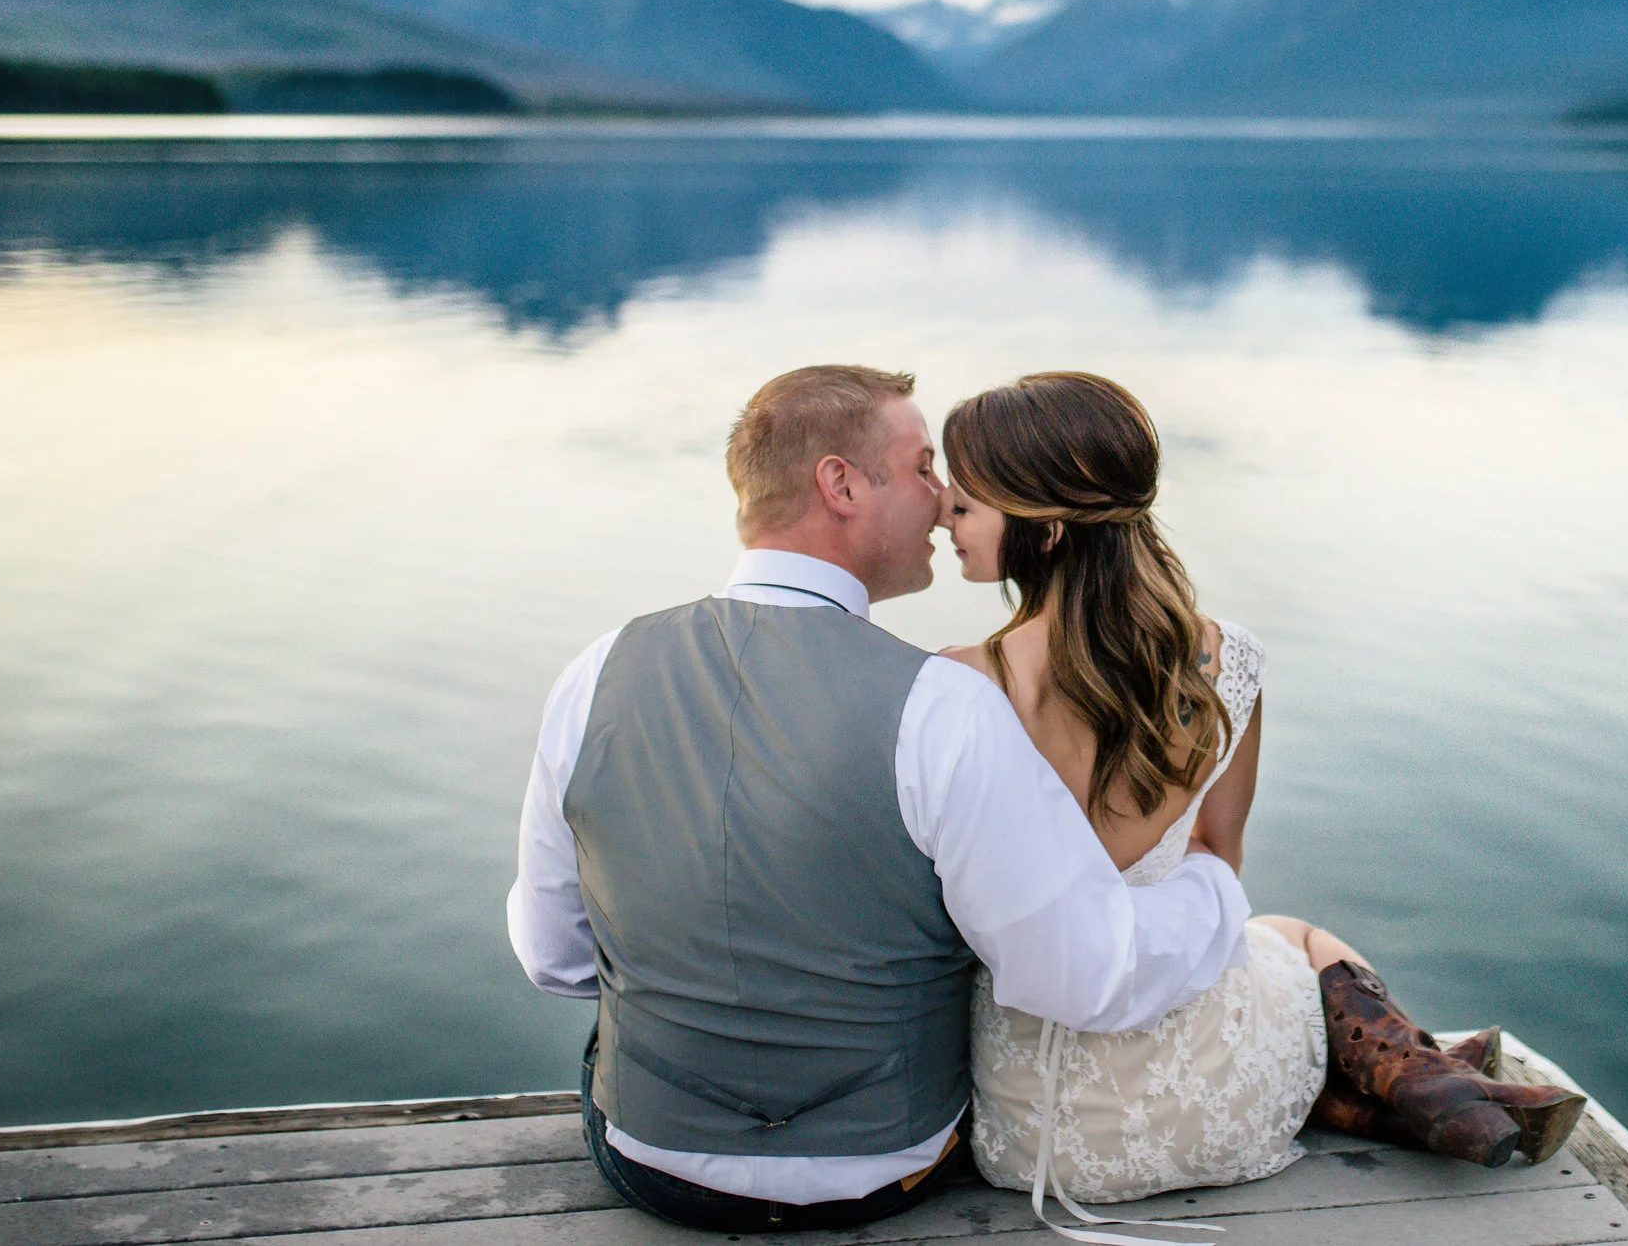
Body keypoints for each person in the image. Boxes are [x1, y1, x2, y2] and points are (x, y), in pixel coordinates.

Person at [507, 365, 1253, 1234]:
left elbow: (552, 956)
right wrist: (1213, 890)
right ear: (842, 484)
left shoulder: (594, 673)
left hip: (648, 1158)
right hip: (882, 1165)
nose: (943, 501)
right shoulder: (942, 705)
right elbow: (1080, 972)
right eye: (924, 467)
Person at [938, 372, 1586, 1232]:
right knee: (1288, 937)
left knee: (1258, 943)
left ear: (1046, 528)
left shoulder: (962, 682)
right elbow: (1218, 854)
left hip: (1038, 1136)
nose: (944, 514)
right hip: (1222, 1117)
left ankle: (1405, 1088)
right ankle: (1418, 1080)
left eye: (967, 503)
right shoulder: (1225, 660)